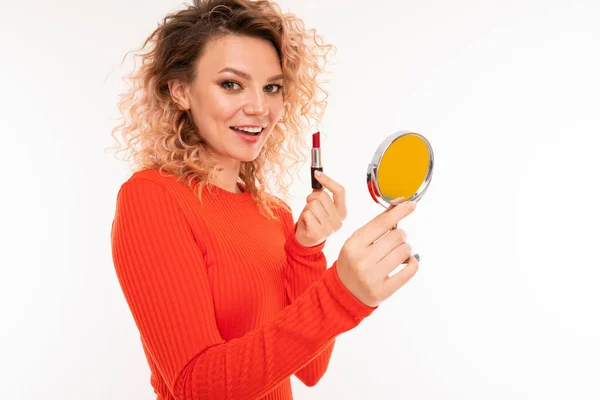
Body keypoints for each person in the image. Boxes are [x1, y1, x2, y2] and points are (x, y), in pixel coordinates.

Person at [109, 0, 420, 398]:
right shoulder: (152, 197)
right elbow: (196, 388)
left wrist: (307, 251)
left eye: (272, 87)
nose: (259, 108)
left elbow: (310, 370)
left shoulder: (275, 213)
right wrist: (342, 294)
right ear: (181, 90)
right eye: (231, 84)